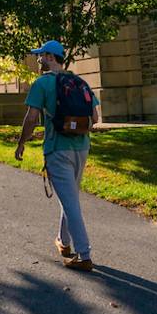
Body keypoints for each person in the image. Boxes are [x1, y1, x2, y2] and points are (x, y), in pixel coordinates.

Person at [15, 40, 100, 272]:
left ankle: (84, 255)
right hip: (82, 147)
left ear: (51, 57)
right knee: (70, 197)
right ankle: (63, 242)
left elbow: (31, 118)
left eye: (41, 56)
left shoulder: (42, 84)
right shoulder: (80, 82)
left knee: (70, 201)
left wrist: (22, 143)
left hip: (57, 148)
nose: (38, 59)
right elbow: (96, 117)